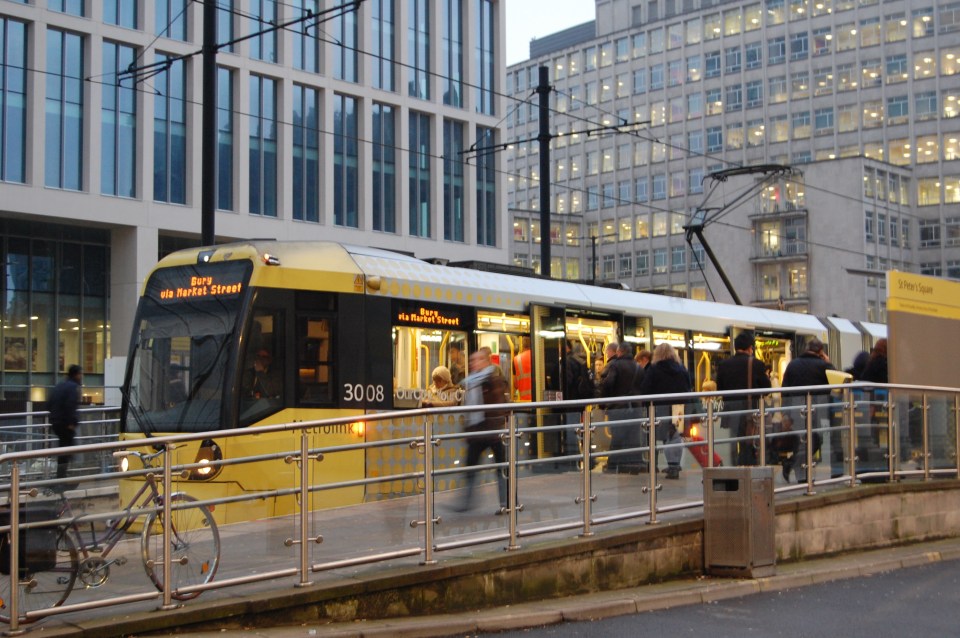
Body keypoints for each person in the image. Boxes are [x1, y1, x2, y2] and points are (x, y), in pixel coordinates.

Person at [458, 348, 511, 513]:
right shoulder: (472, 382)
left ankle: (507, 503)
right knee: (470, 466)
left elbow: (499, 405)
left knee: (502, 468)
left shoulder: (492, 380)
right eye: (471, 361)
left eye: (477, 360)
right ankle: (466, 503)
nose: (473, 363)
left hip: (493, 432)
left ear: (486, 361)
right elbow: (469, 409)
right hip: (478, 433)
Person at [781, 337, 835, 482]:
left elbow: (784, 390)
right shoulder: (824, 366)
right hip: (816, 411)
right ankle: (796, 470)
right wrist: (828, 362)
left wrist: (785, 413)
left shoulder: (793, 365)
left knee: (802, 441)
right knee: (815, 441)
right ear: (821, 351)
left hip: (795, 411)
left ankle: (799, 473)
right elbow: (836, 382)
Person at [715, 332, 771, 466]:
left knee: (734, 439)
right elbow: (767, 388)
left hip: (731, 410)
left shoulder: (724, 365)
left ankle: (735, 466)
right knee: (748, 440)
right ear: (750, 348)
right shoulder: (757, 364)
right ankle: (746, 465)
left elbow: (720, 389)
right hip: (749, 409)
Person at [638, 343, 692, 479]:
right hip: (679, 408)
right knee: (675, 436)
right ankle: (674, 464)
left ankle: (668, 466)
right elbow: (688, 388)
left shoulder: (654, 369)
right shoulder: (682, 369)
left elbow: (645, 389)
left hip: (659, 408)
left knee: (664, 437)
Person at [599, 341, 644, 474]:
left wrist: (603, 404)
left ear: (619, 352)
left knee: (617, 436)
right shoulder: (638, 367)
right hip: (636, 407)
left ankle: (613, 464)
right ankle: (634, 463)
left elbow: (608, 384)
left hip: (618, 407)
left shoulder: (615, 365)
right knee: (633, 436)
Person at [49, 365, 82, 484]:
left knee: (64, 448)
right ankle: (62, 476)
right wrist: (71, 423)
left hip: (56, 422)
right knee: (67, 449)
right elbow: (70, 405)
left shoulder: (60, 385)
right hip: (65, 423)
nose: (81, 376)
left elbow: (49, 403)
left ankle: (61, 475)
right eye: (80, 374)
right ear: (76, 374)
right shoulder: (73, 387)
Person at [513, 337, 532, 402]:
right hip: (538, 400)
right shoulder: (538, 356)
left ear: (522, 345)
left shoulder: (516, 359)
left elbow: (516, 385)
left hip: (524, 402)